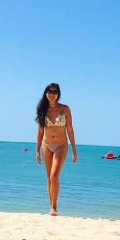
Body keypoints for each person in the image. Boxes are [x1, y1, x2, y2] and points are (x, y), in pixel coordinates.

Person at [35, 83, 77, 216]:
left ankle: (55, 207)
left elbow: (70, 129)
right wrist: (37, 150)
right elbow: (40, 132)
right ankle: (51, 207)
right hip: (46, 145)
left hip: (61, 145)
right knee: (49, 178)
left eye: (55, 92)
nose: (52, 94)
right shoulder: (42, 110)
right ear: (46, 93)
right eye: (49, 91)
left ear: (58, 94)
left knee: (54, 176)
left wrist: (74, 150)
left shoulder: (65, 109)